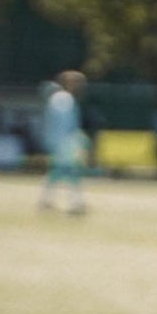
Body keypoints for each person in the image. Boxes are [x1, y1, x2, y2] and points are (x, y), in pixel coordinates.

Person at [37, 70, 89, 213]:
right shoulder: (63, 99)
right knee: (69, 171)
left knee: (59, 171)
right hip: (63, 142)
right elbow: (64, 124)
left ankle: (46, 200)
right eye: (76, 82)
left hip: (62, 141)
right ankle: (76, 203)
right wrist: (74, 140)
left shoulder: (62, 98)